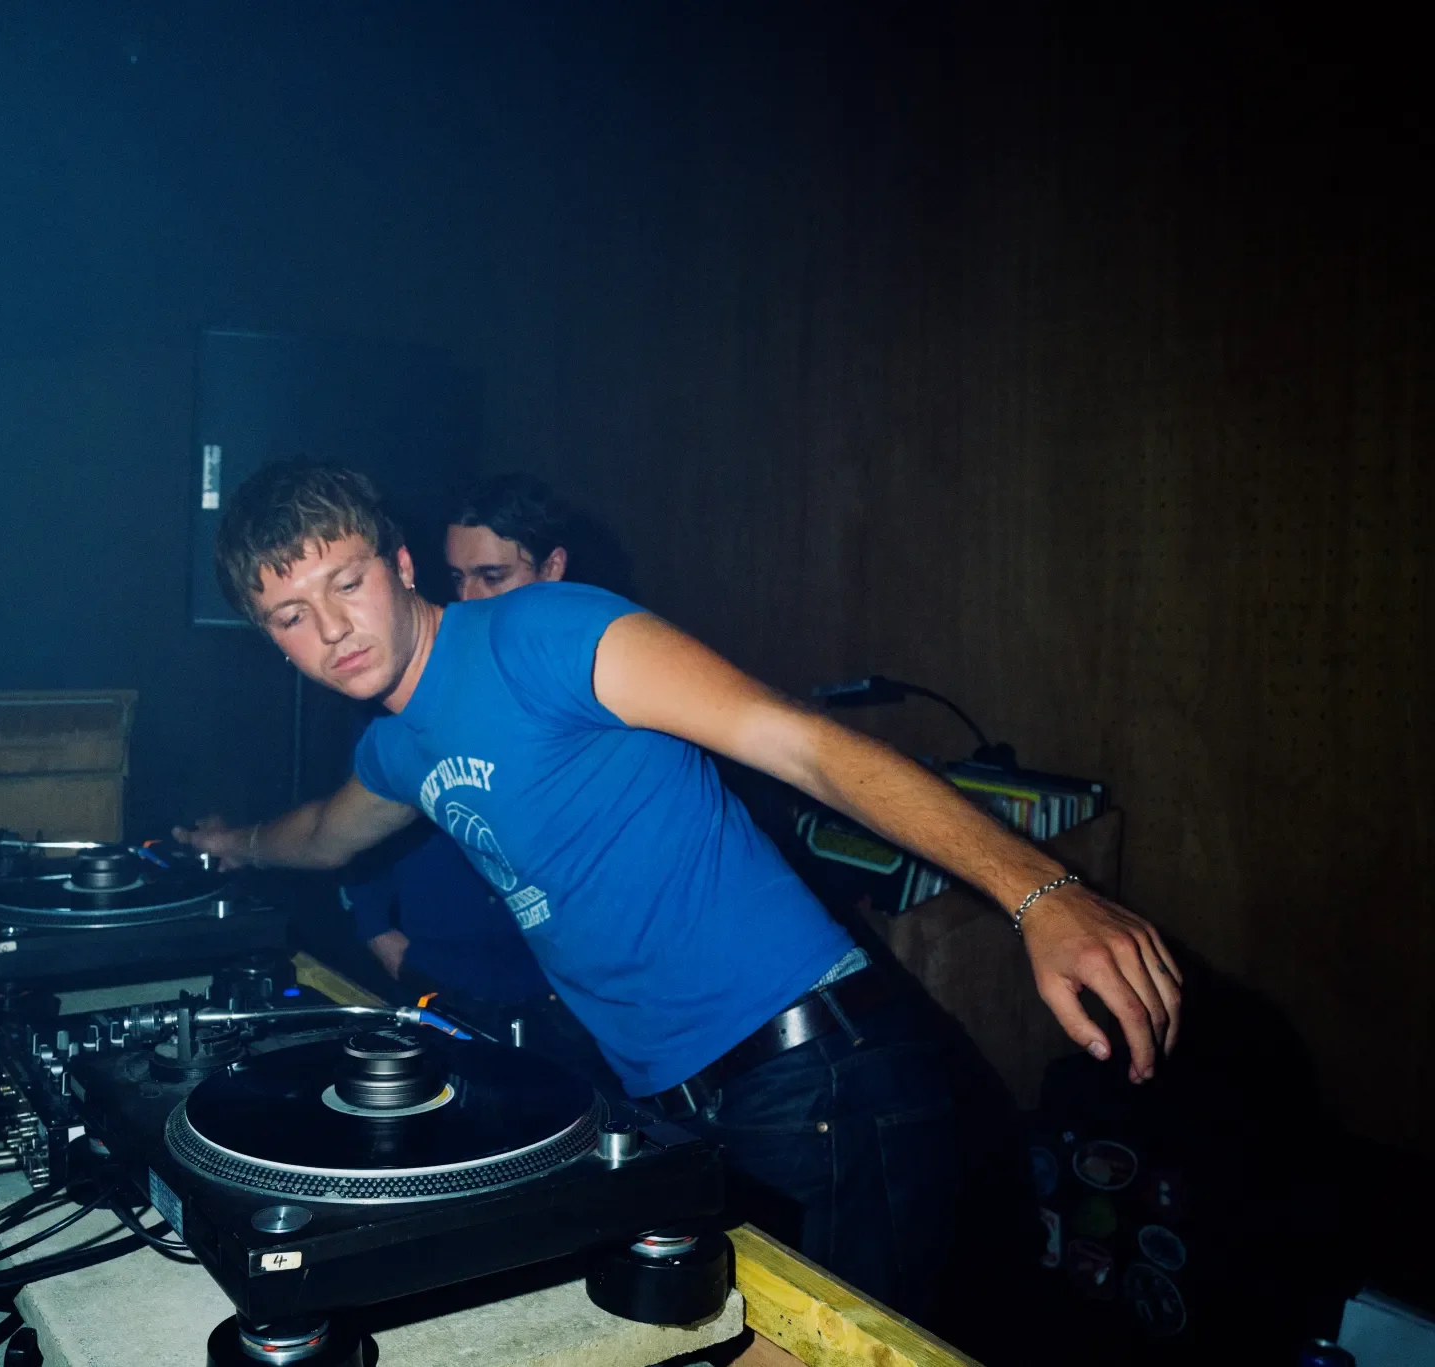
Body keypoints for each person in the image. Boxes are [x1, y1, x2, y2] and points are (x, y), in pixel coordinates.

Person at [175, 463, 1182, 1320]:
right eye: (292, 616)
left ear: (397, 567)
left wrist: (1040, 891)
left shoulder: (542, 631)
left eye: (345, 581)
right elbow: (316, 832)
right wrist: (230, 843)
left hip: (815, 1074)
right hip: (675, 1106)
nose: (333, 627)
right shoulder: (395, 745)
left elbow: (803, 743)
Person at [341, 474, 617, 1087]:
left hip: (564, 998)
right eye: (458, 578)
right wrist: (376, 930)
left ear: (552, 568)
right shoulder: (407, 686)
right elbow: (346, 824)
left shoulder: (591, 671)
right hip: (441, 972)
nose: (468, 598)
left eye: (491, 577)